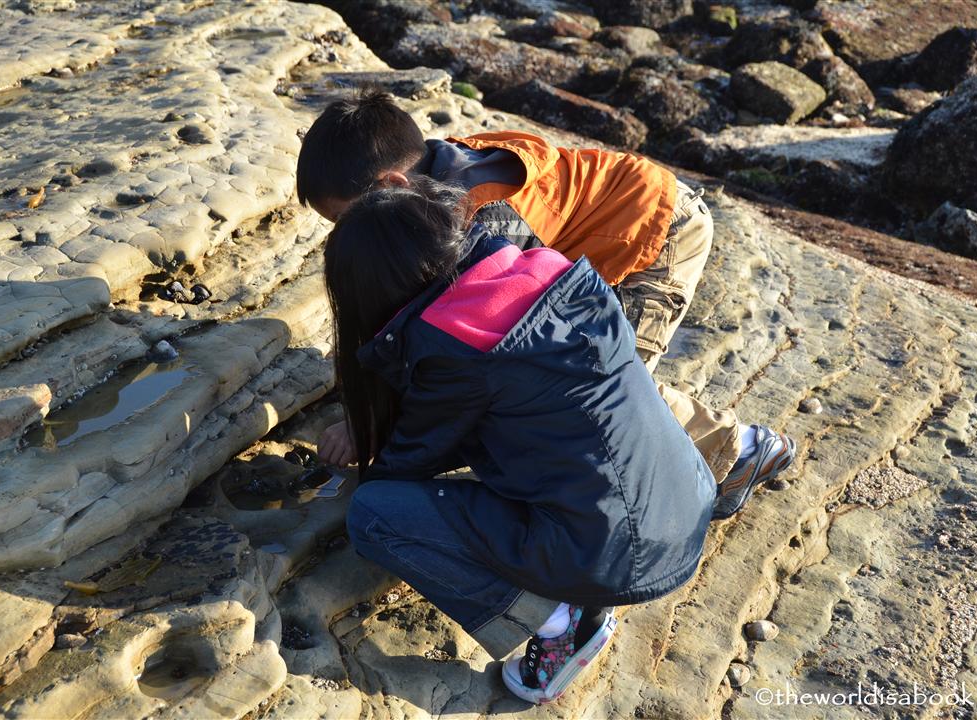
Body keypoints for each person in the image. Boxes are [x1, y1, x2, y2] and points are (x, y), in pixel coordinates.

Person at [301, 89, 794, 520]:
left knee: (602, 376)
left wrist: (373, 429)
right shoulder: (428, 192)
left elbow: (488, 334)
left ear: (391, 186)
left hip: (657, 228)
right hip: (594, 235)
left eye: (343, 220)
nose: (341, 236)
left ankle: (740, 451)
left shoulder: (482, 214)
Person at [324, 179, 716, 703]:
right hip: (685, 502)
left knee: (373, 513)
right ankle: (584, 580)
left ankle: (561, 623)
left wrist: (362, 460)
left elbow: (410, 462)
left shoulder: (457, 348)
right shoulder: (546, 269)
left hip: (619, 552)